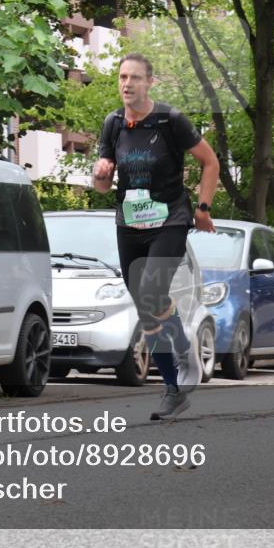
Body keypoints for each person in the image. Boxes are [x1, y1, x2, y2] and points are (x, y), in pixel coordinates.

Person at [92, 53, 220, 420]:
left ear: (150, 82)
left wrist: (203, 208)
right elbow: (103, 188)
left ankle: (181, 348)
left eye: (134, 78)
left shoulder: (170, 120)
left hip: (170, 220)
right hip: (130, 224)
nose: (127, 84)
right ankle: (173, 388)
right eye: (121, 77)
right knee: (146, 311)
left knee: (151, 291)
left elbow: (209, 163)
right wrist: (100, 174)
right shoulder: (113, 124)